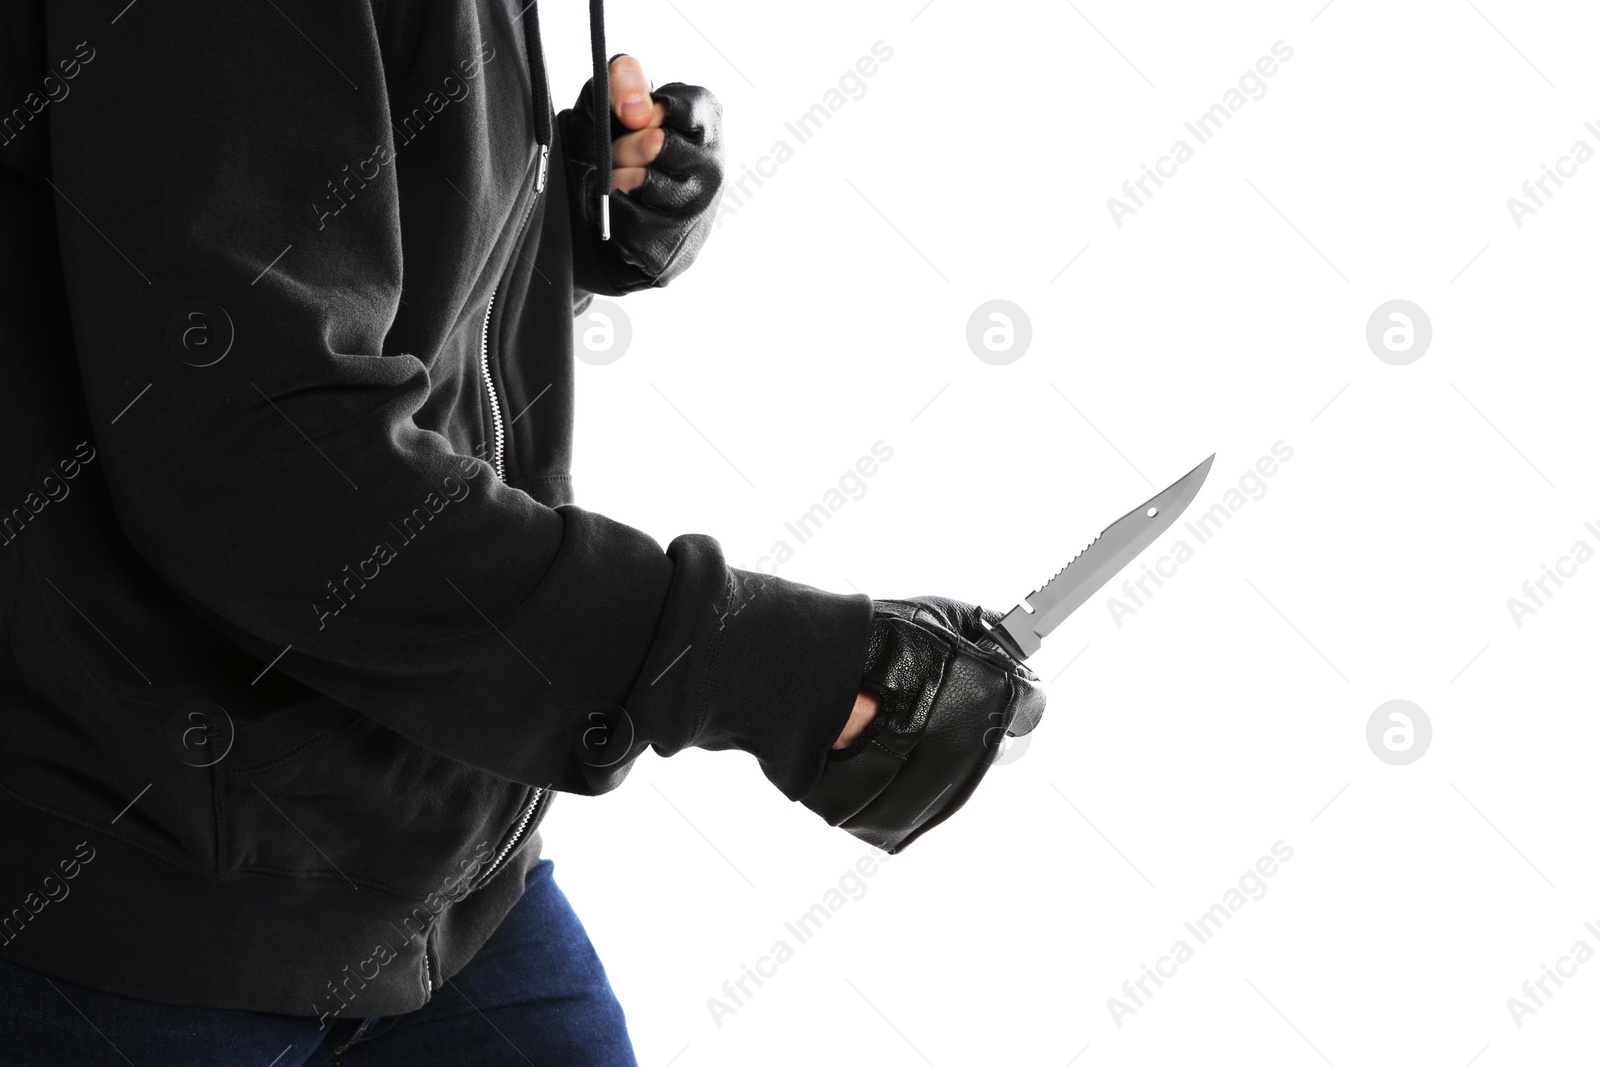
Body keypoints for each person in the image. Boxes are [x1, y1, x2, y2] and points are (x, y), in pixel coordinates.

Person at [0, 1, 1044, 1063]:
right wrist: (764, 664)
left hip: (440, 860)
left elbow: (247, 238)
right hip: (139, 915)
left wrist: (550, 210)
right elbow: (264, 462)